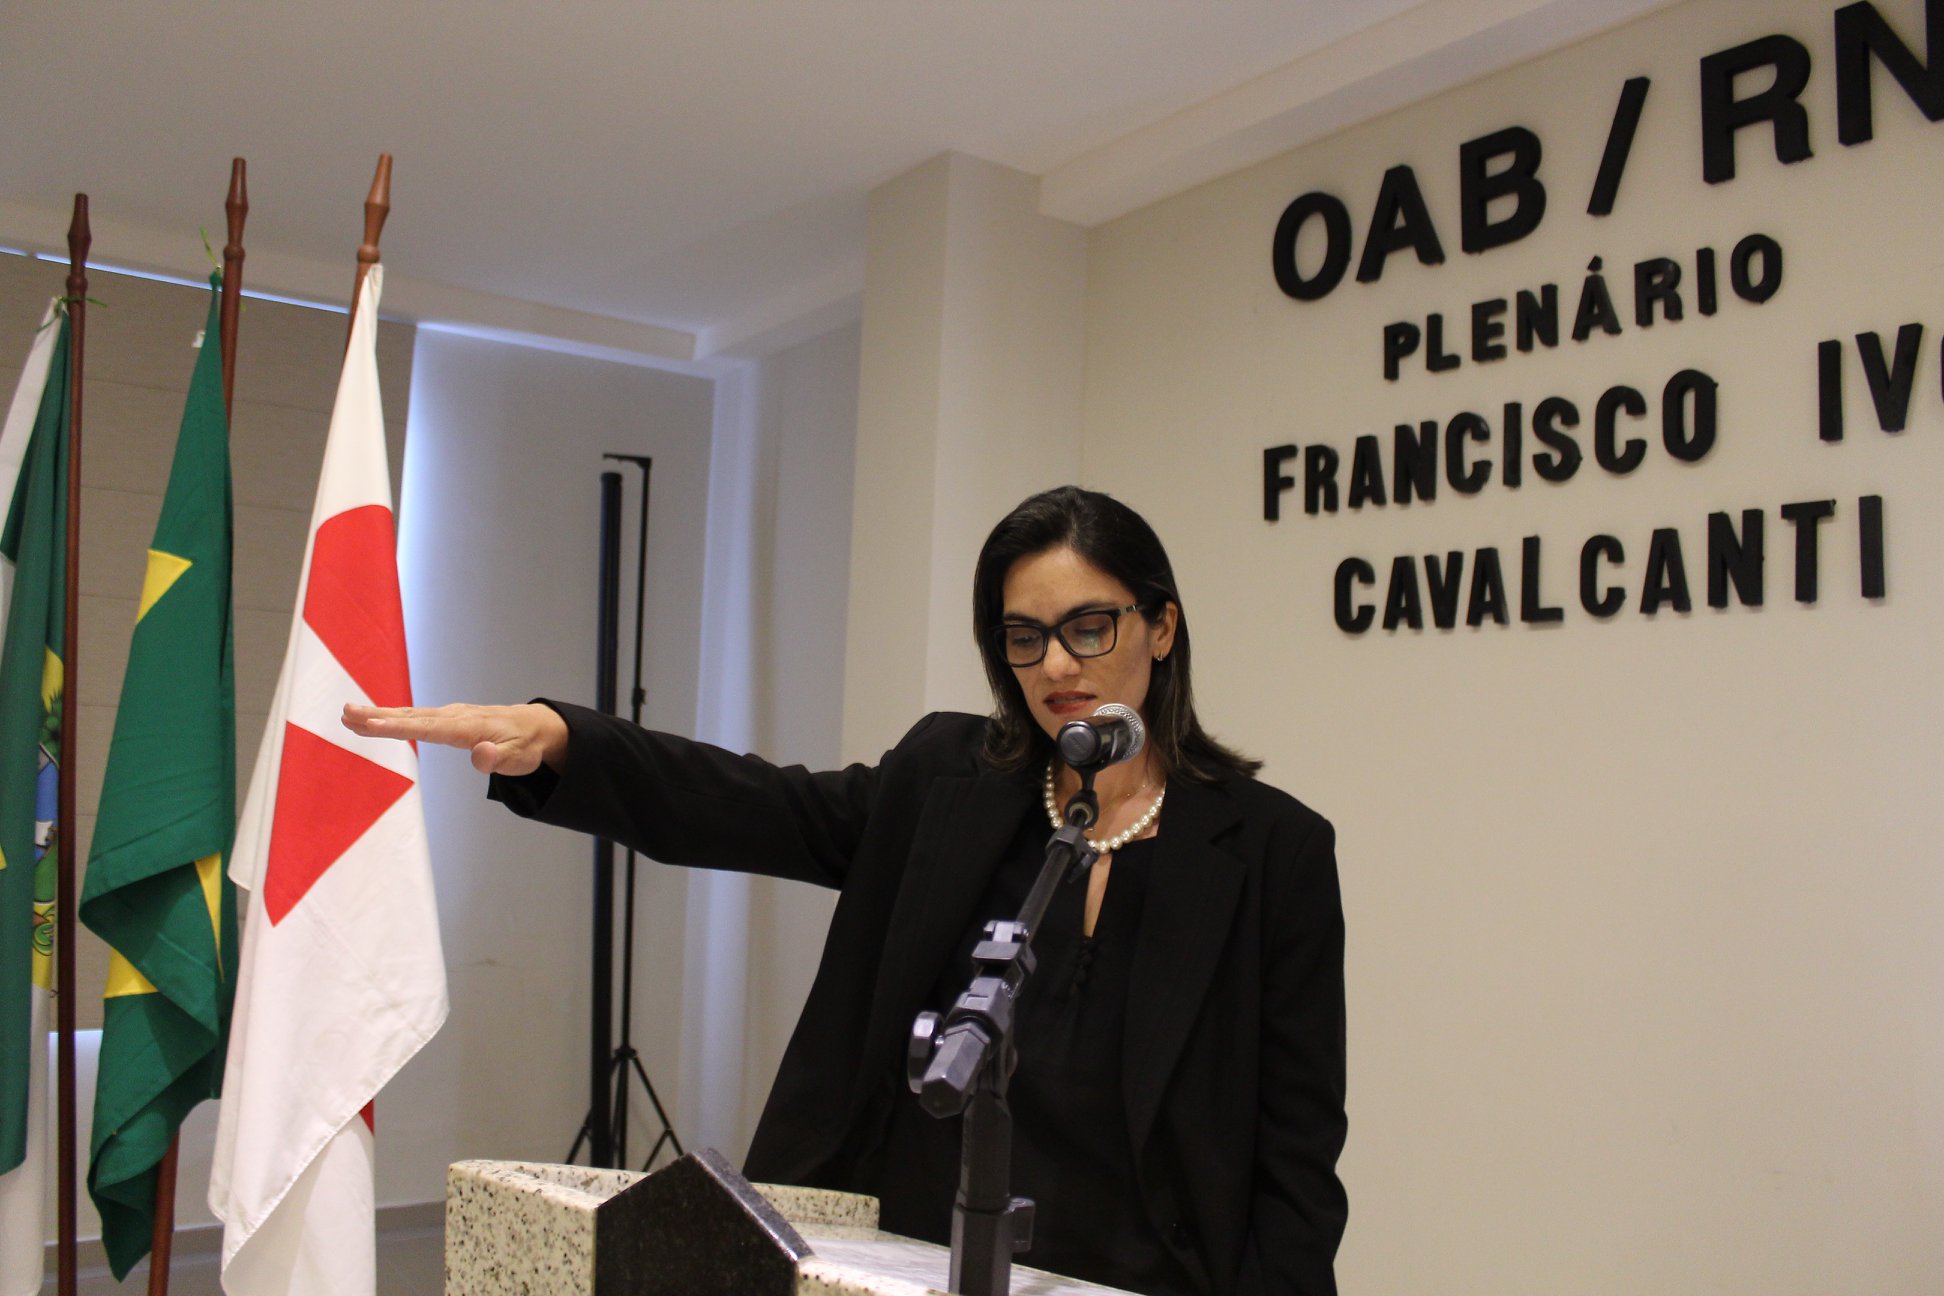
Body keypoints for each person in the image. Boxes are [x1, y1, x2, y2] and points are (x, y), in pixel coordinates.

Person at [345, 485, 1346, 1296]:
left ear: (1161, 627)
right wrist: (570, 743)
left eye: (1089, 627)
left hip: (1140, 1276)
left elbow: (1296, 1153)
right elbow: (757, 805)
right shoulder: (946, 781)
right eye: (1024, 636)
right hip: (902, 1261)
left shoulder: (1274, 852)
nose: (1056, 665)